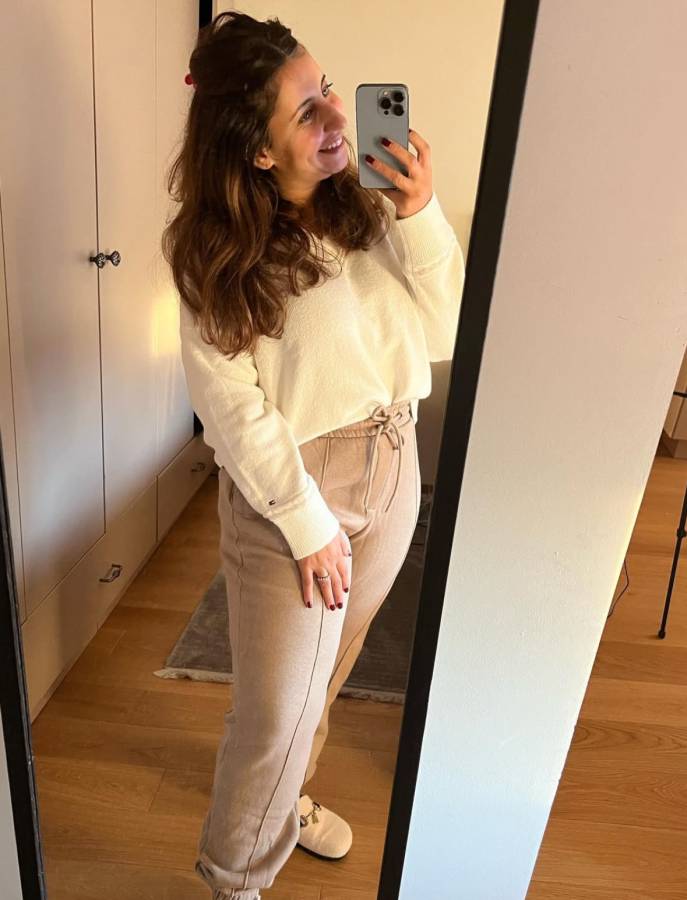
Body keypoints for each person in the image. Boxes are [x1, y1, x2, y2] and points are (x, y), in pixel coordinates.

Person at [162, 10, 465, 899]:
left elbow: (448, 333)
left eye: (328, 90)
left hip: (393, 462)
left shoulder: (367, 209)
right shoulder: (215, 252)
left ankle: (286, 802)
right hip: (293, 485)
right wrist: (305, 523)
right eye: (306, 111)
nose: (337, 117)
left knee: (325, 678)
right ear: (257, 150)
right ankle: (233, 880)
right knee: (274, 714)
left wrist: (419, 212)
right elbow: (230, 407)